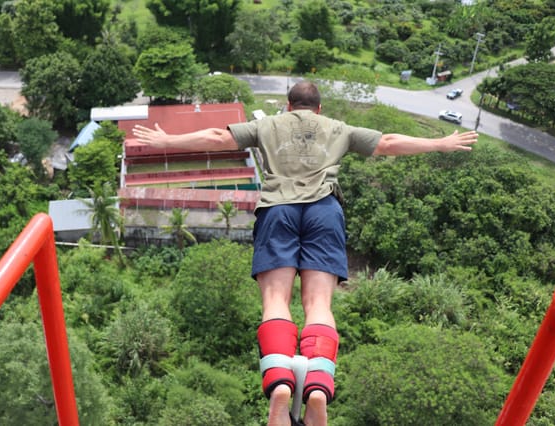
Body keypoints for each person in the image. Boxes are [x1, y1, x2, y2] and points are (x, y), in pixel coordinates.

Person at [132, 81, 478, 426]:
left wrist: (166, 141)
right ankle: (317, 384)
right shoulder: (337, 128)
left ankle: (280, 379)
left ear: (288, 105)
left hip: (278, 210)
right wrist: (440, 143)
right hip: (324, 212)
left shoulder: (267, 124)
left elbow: (217, 138)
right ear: (319, 108)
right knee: (319, 306)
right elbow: (387, 142)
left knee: (276, 302)